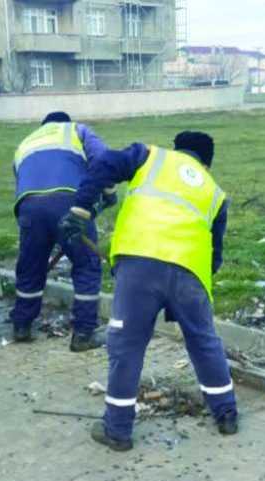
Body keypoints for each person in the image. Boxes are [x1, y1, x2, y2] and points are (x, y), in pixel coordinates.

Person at [61, 131, 239, 452]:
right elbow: (216, 254)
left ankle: (117, 430)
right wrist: (192, 284)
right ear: (207, 162)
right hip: (191, 272)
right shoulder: (214, 192)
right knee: (204, 340)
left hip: (139, 264)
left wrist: (80, 210)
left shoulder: (151, 157)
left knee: (126, 345)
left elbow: (103, 164)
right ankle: (226, 414)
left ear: (177, 149)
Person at [10, 111, 109, 352]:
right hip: (68, 201)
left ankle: (21, 325)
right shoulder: (76, 130)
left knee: (31, 264)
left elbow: (21, 177)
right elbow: (104, 159)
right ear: (65, 121)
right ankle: (83, 333)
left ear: (44, 125)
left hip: (29, 205)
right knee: (86, 264)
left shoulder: (26, 142)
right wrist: (108, 192)